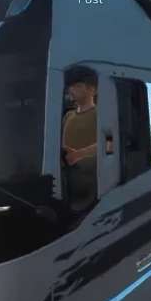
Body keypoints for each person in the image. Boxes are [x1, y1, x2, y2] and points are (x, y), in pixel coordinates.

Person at [62, 66, 98, 211]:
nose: (72, 90)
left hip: (92, 187)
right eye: (71, 86)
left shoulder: (101, 114)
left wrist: (79, 154)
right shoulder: (68, 116)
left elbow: (110, 143)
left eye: (77, 86)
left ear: (92, 90)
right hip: (67, 185)